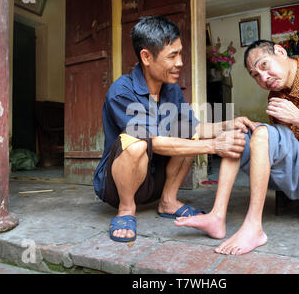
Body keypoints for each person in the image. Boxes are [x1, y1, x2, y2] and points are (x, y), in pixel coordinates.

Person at [175, 40, 299, 255]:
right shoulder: (276, 94)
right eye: (255, 75)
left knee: (262, 133)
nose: (263, 78)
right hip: (296, 175)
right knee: (237, 135)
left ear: (280, 51)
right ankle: (217, 216)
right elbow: (281, 147)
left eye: (264, 65)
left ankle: (254, 228)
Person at [93, 16, 257, 243]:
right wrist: (213, 146)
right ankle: (126, 209)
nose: (180, 62)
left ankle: (168, 201)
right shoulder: (122, 90)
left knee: (188, 130)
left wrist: (227, 125)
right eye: (172, 55)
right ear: (146, 57)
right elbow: (153, 141)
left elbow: (195, 127)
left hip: (154, 180)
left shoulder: (171, 89)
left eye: (180, 53)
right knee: (137, 142)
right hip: (117, 184)